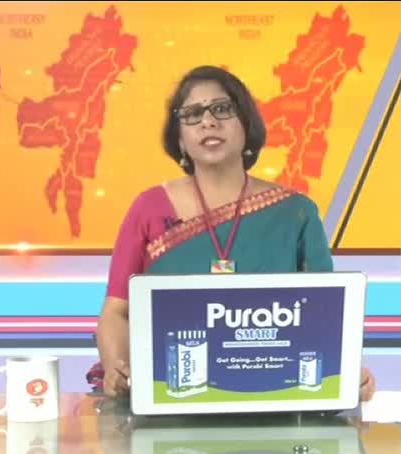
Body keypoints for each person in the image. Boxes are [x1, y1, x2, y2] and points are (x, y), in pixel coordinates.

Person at [86, 65, 375, 403]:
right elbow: (116, 311)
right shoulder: (148, 209)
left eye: (222, 109)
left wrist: (348, 372)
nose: (208, 122)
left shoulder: (296, 213)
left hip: (274, 396)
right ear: (179, 137)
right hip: (169, 396)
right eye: (192, 114)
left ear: (246, 125)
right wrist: (118, 368)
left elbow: (326, 316)